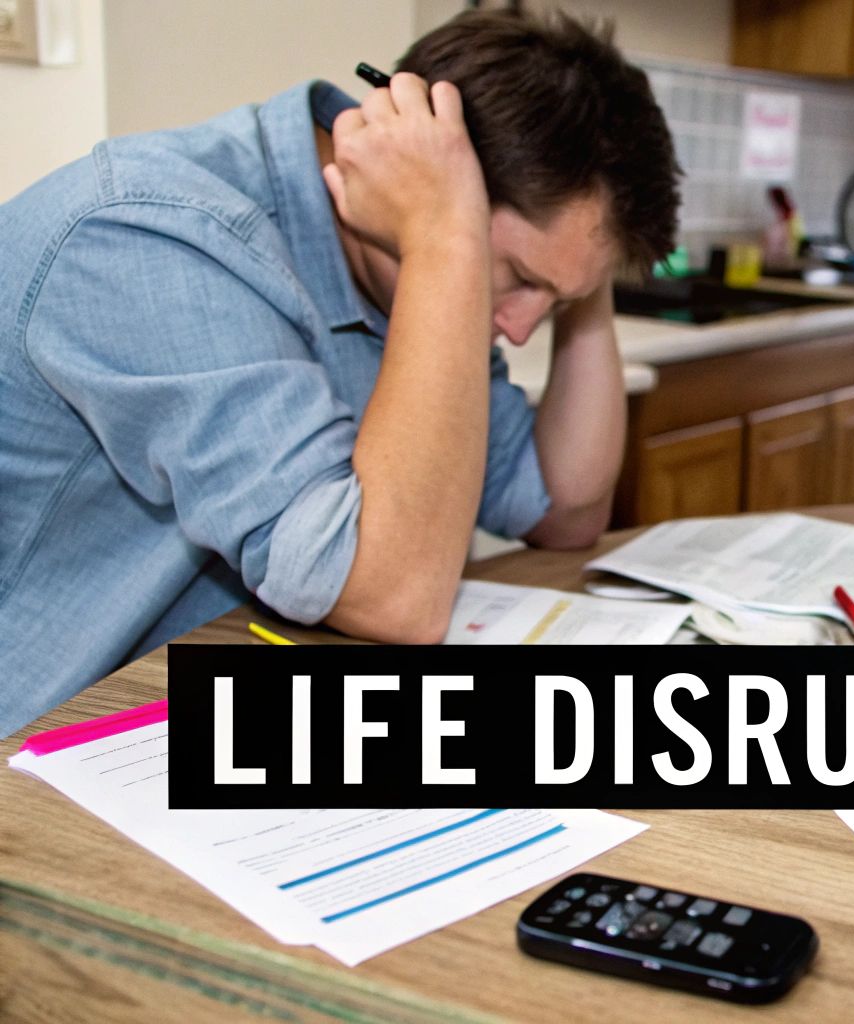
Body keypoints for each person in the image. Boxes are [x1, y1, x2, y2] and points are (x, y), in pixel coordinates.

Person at [0, 10, 680, 736]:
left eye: (553, 300)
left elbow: (565, 512)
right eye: (516, 276)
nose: (518, 327)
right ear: (430, 177)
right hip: (38, 767)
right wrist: (444, 240)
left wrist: (581, 275)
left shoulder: (411, 271)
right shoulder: (149, 237)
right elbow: (392, 599)